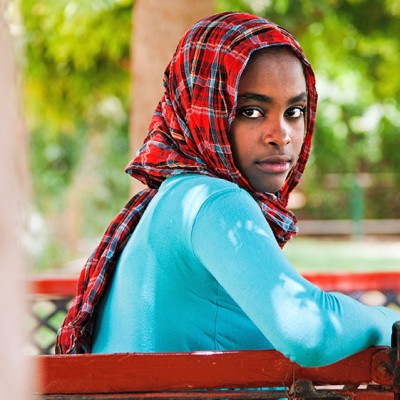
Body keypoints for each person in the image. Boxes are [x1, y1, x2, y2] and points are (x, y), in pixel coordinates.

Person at [56, 11, 399, 367]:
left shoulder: (173, 198)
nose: (280, 135)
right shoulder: (213, 200)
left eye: (294, 111)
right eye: (251, 111)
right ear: (201, 110)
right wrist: (386, 321)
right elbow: (307, 330)